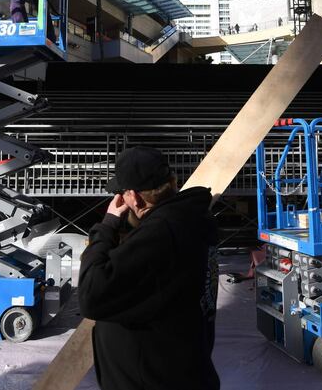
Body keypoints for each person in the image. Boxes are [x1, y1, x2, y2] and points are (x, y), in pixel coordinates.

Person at [78, 146, 220, 390]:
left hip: (155, 380)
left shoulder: (161, 233)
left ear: (133, 196)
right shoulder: (193, 219)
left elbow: (92, 295)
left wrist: (107, 225)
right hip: (185, 371)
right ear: (173, 181)